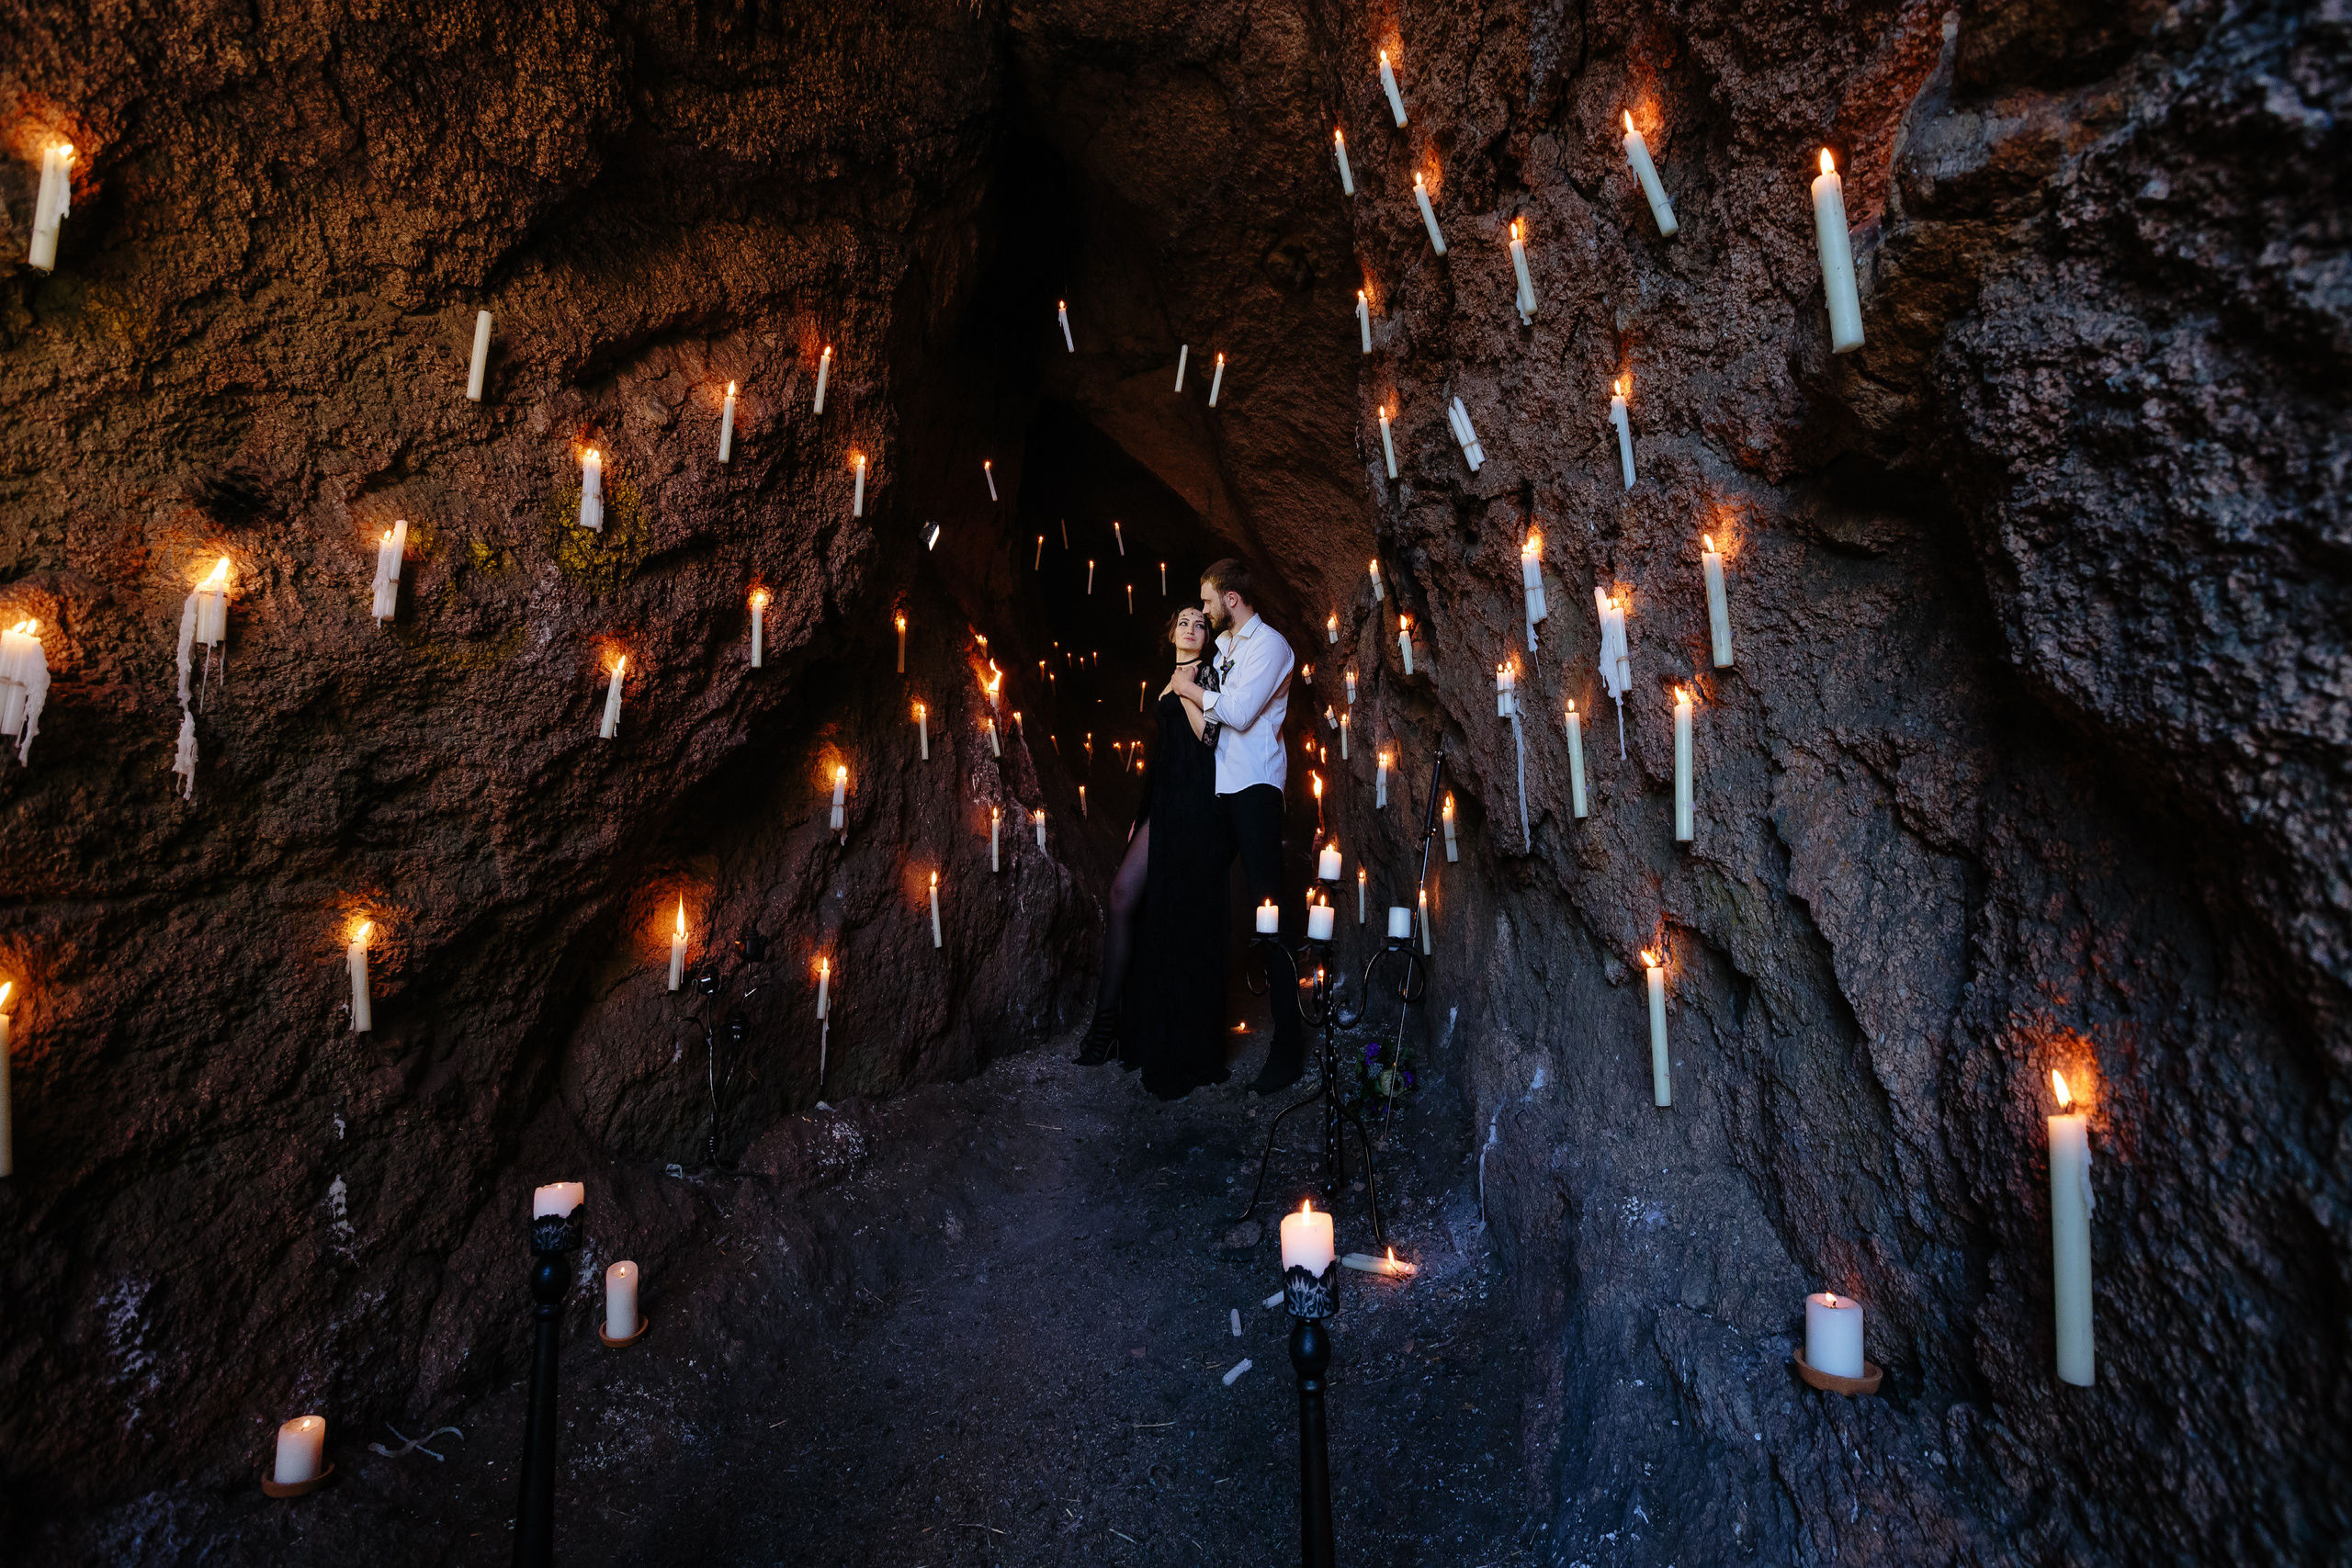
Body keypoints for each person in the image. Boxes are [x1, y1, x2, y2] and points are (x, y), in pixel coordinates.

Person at [1075, 606, 1231, 1099]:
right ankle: (1107, 1027)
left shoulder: (1206, 674)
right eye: (1183, 621)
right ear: (1171, 632)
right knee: (1122, 895)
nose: (1191, 626)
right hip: (1163, 804)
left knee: (1173, 915)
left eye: (1200, 622)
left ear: (1207, 638)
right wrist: (1139, 819)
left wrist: (1186, 687)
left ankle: (1161, 1037)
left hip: (1195, 807)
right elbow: (1163, 758)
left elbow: (1206, 737)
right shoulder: (1168, 677)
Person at [1170, 558, 1306, 1093]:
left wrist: (1187, 688)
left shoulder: (1271, 645)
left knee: (1270, 911)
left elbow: (1243, 712)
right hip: (1219, 789)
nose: (1202, 610)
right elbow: (1209, 720)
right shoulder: (1224, 648)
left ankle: (1289, 1047)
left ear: (1229, 598)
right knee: (1200, 896)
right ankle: (1193, 1035)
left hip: (1255, 788)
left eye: (1206, 601)